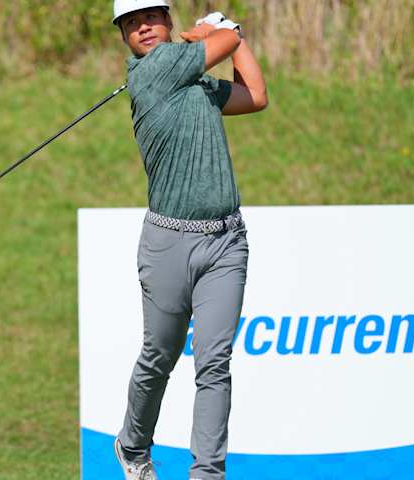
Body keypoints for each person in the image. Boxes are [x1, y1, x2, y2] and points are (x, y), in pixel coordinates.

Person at [110, 1, 268, 479]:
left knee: (214, 363)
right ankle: (133, 446)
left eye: (151, 17)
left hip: (225, 242)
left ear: (167, 18)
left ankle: (207, 473)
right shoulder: (152, 71)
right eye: (132, 23)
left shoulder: (190, 78)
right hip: (168, 245)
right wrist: (217, 31)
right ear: (123, 36)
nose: (144, 27)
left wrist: (230, 35)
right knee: (160, 355)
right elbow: (224, 42)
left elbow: (255, 95)